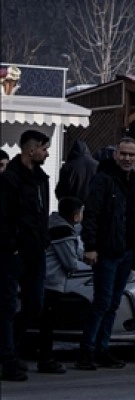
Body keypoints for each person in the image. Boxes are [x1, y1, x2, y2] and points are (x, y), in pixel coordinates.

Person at [78, 138, 135, 371]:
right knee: (102, 302)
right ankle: (86, 351)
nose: (127, 158)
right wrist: (90, 246)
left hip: (127, 252)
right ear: (115, 155)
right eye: (123, 154)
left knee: (113, 303)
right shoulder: (103, 180)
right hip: (107, 252)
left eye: (131, 154)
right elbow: (92, 215)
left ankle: (102, 348)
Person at [0, 129, 54, 381]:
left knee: (35, 304)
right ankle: (8, 358)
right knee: (8, 305)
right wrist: (13, 245)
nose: (46, 153)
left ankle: (12, 350)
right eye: (43, 149)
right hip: (14, 253)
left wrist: (42, 241)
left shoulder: (42, 178)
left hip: (35, 252)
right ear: (30, 150)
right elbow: (4, 217)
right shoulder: (10, 179)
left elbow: (42, 214)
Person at [40, 196, 89, 374]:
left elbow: (76, 251)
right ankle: (46, 359)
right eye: (81, 212)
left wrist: (83, 254)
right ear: (75, 215)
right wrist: (85, 263)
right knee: (48, 323)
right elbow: (70, 261)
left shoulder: (55, 225)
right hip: (52, 281)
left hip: (45, 279)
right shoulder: (64, 232)